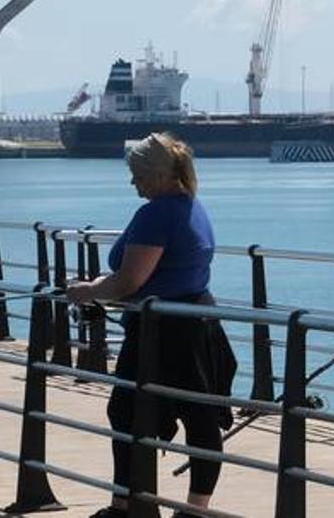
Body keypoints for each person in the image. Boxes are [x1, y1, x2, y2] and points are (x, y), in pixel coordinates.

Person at [67, 132, 237, 518]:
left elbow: (130, 281)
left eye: (138, 175)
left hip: (161, 330)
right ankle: (195, 509)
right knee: (201, 418)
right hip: (197, 321)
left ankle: (127, 505)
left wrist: (87, 291)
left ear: (157, 176)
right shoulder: (192, 206)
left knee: (127, 411)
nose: (133, 183)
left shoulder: (156, 214)